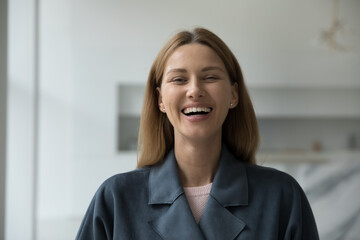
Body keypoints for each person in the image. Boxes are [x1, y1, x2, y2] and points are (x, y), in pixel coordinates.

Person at [76, 28, 319, 240]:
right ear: (160, 99)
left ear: (233, 95)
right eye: (179, 79)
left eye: (210, 77)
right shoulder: (116, 198)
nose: (194, 90)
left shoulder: (282, 196)